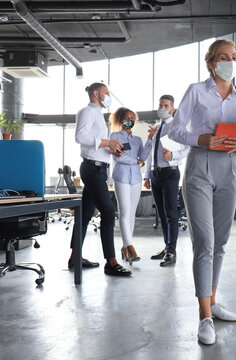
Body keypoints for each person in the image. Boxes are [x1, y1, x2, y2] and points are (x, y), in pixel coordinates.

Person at [168, 39, 236, 345]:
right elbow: (175, 130)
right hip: (200, 167)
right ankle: (204, 315)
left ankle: (213, 302)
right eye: (224, 57)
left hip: (230, 169)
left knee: (220, 242)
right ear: (211, 63)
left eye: (234, 57)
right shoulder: (196, 91)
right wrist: (201, 139)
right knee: (204, 242)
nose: (230, 61)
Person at [69, 82, 132, 277]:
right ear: (96, 94)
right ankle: (111, 262)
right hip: (92, 169)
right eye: (106, 92)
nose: (109, 95)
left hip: (97, 167)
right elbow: (80, 137)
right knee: (108, 211)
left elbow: (95, 143)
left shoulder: (97, 114)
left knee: (86, 213)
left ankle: (74, 257)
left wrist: (111, 149)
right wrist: (108, 142)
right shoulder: (88, 111)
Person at [143, 95, 189, 267]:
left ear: (172, 109)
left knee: (171, 214)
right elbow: (150, 154)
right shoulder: (156, 128)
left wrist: (173, 156)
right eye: (160, 104)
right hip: (156, 174)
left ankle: (171, 251)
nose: (162, 107)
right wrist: (147, 175)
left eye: (166, 105)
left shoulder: (177, 127)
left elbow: (187, 148)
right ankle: (166, 247)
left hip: (170, 173)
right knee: (161, 214)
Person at [109, 107, 151, 264]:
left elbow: (144, 156)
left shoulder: (137, 140)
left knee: (132, 214)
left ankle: (126, 248)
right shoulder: (114, 136)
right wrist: (136, 161)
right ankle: (130, 246)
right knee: (124, 212)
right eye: (127, 117)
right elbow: (119, 157)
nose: (130, 120)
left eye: (132, 118)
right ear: (120, 119)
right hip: (122, 177)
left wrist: (151, 140)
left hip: (136, 179)